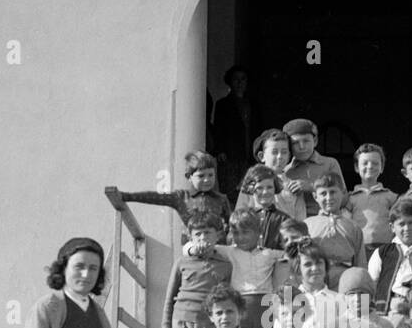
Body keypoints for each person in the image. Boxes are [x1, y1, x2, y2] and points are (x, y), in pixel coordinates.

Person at [186, 211, 287, 328]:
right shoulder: (229, 251)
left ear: (258, 232)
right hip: (240, 302)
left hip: (265, 304)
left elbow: (290, 254)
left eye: (245, 232)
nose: (240, 237)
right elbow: (189, 247)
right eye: (236, 233)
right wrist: (193, 249)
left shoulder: (269, 254)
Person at [161, 213, 231, 328]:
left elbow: (225, 299)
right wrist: (166, 327)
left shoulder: (225, 265)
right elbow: (170, 296)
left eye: (207, 233)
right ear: (190, 238)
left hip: (209, 322)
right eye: (198, 234)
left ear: (217, 235)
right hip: (181, 320)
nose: (203, 238)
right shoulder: (182, 262)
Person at [118, 150, 233, 228]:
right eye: (201, 176)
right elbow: (155, 197)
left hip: (218, 252)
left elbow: (231, 226)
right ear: (189, 177)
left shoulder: (221, 199)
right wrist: (127, 196)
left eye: (210, 175)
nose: (207, 180)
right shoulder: (182, 197)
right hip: (191, 251)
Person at [305, 174, 366, 290]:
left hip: (344, 280)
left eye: (333, 192)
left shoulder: (353, 227)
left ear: (343, 193)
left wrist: (363, 300)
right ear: (315, 196)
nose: (329, 198)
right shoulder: (307, 225)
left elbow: (360, 264)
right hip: (316, 279)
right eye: (323, 193)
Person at [236, 132, 305, 224]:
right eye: (274, 152)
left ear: (289, 155)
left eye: (284, 152)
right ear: (262, 156)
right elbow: (240, 215)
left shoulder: (293, 185)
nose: (280, 156)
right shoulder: (252, 182)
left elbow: (301, 219)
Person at [283, 117, 345, 216]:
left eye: (306, 141)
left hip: (326, 222)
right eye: (295, 143)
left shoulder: (330, 164)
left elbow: (344, 198)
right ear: (289, 146)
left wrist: (312, 187)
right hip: (298, 224)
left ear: (315, 141)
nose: (302, 146)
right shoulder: (286, 171)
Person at [345, 142, 395, 260]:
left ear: (382, 168)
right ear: (357, 167)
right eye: (365, 163)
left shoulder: (391, 197)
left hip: (385, 249)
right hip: (359, 249)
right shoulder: (349, 198)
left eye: (375, 163)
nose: (370, 166)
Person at [211, 65, 254, 203]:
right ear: (230, 81)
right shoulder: (223, 104)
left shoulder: (253, 104)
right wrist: (220, 150)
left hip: (249, 154)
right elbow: (218, 129)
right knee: (230, 193)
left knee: (250, 192)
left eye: (243, 79)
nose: (240, 83)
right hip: (230, 155)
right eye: (236, 79)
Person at [285, 237, 342, 328]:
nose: (315, 268)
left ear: (326, 266)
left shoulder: (339, 301)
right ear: (298, 269)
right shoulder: (289, 300)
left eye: (319, 263)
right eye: (308, 264)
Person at [235, 165, 297, 249]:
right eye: (259, 188)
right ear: (250, 189)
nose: (265, 192)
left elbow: (290, 250)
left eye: (269, 187)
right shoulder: (242, 218)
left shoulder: (283, 219)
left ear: (275, 188)